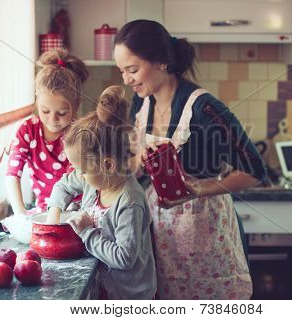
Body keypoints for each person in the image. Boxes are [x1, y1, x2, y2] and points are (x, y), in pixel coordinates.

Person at [114, 20, 268, 300]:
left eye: (133, 70)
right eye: (122, 71)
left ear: (161, 62)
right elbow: (137, 162)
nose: (126, 80)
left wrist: (195, 190)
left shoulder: (204, 107)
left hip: (203, 230)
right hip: (158, 234)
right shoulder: (141, 102)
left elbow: (255, 171)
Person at [46, 86, 157, 300]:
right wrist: (54, 213)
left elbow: (124, 258)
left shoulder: (129, 202)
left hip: (130, 296)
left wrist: (87, 232)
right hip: (103, 285)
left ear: (107, 164)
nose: (77, 174)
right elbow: (63, 185)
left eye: (81, 169)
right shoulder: (95, 180)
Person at [6, 49, 89, 215]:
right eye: (45, 111)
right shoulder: (27, 130)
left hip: (80, 212)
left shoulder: (80, 133)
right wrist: (20, 213)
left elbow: (74, 182)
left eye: (62, 113)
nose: (52, 119)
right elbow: (12, 174)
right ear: (37, 101)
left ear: (77, 104)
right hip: (43, 212)